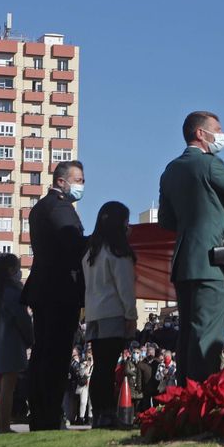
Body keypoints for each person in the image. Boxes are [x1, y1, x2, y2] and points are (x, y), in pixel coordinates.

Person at [158, 111, 224, 385]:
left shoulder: (170, 170)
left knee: (188, 337)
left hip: (184, 263)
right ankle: (202, 400)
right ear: (201, 134)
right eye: (217, 129)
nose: (221, 134)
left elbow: (166, 220)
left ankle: (184, 399)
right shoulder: (209, 164)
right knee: (208, 337)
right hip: (212, 263)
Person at [23, 160, 87, 431]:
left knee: (42, 353)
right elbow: (72, 244)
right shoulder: (60, 208)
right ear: (61, 181)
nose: (82, 185)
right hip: (60, 289)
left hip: (44, 288)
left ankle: (40, 412)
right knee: (56, 355)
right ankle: (49, 414)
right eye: (79, 179)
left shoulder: (40, 208)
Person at [81, 201, 137, 429]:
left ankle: (100, 414)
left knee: (100, 368)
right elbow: (125, 288)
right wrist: (131, 316)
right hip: (113, 313)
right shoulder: (118, 252)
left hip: (94, 314)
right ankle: (107, 414)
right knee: (107, 367)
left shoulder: (90, 251)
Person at [0, 252, 32, 434]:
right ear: (11, 270)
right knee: (8, 388)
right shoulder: (13, 292)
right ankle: (5, 427)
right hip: (10, 342)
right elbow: (22, 319)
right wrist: (30, 338)